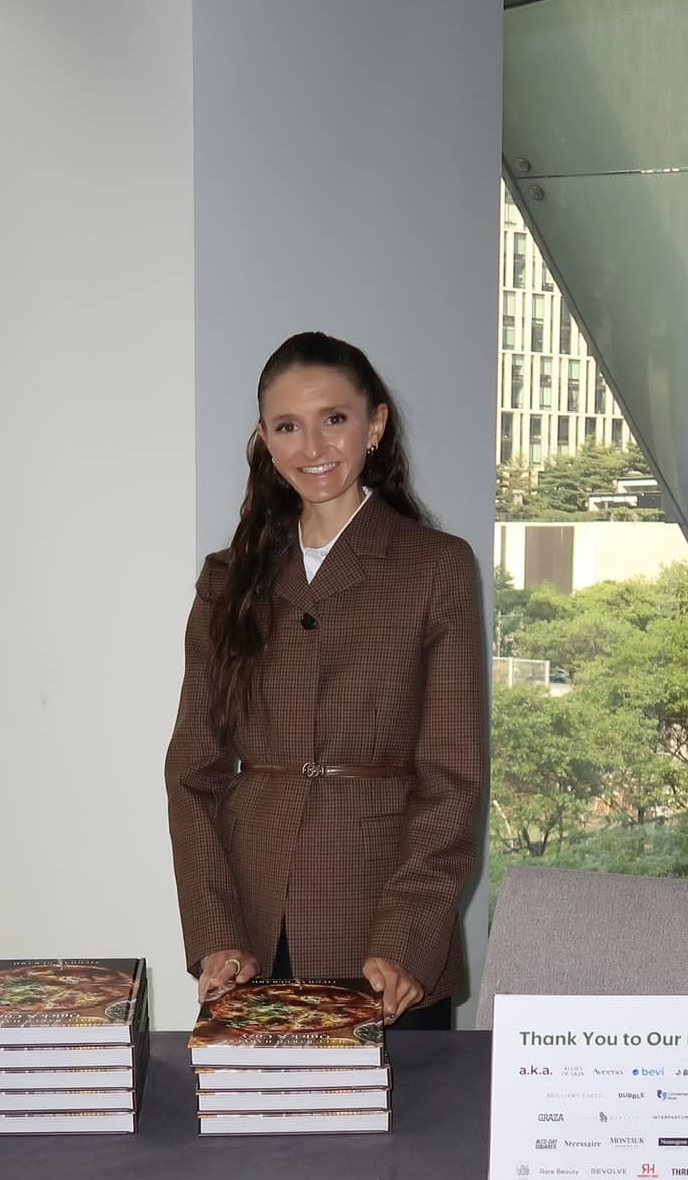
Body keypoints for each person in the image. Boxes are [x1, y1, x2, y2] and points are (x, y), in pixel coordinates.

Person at [165, 331, 486, 1027]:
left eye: (333, 419)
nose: (312, 446)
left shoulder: (435, 567)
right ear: (264, 439)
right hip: (252, 933)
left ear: (375, 424)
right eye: (287, 426)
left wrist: (406, 940)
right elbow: (192, 771)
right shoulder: (227, 579)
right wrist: (216, 932)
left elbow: (452, 778)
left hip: (385, 935)